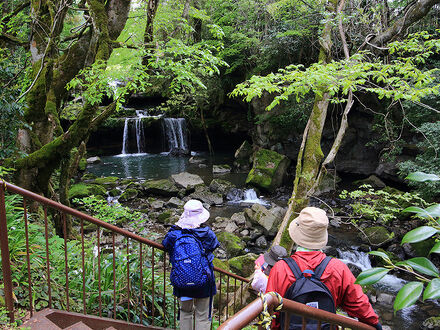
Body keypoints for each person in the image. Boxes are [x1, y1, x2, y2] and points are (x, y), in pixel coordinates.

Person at [266, 206, 383, 330]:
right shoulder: (338, 268)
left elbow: (270, 310)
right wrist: (375, 324)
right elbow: (359, 303)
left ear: (296, 236)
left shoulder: (280, 269)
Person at [162, 199, 219, 330]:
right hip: (204, 280)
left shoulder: (174, 235)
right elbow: (214, 246)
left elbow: (165, 244)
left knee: (185, 312)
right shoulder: (207, 234)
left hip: (182, 279)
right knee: (202, 315)